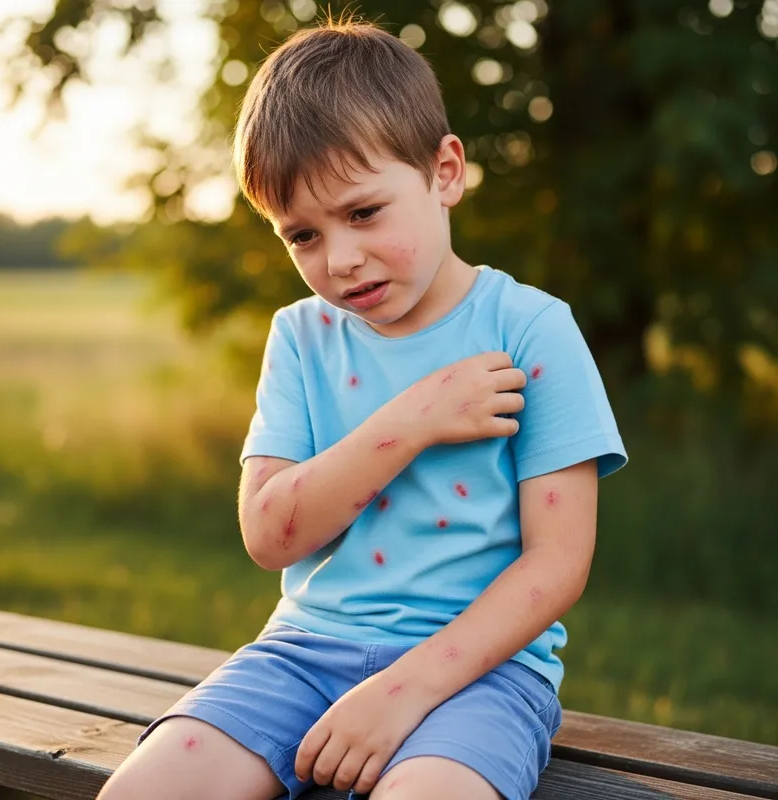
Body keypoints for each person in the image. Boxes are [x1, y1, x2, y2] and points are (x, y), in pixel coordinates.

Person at [97, 16, 627, 800]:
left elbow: (556, 563)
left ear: (445, 172)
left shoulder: (530, 328)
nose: (338, 259)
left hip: (477, 673)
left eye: (363, 213)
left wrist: (403, 691)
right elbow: (271, 535)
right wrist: (410, 420)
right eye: (302, 235)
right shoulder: (301, 338)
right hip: (301, 655)